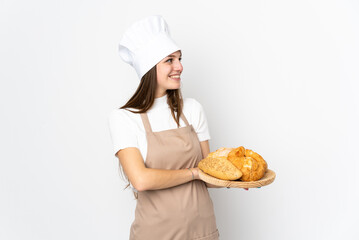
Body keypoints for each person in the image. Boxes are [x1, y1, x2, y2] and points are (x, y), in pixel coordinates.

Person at [108, 15, 220, 240]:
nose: (179, 66)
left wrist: (237, 178)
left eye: (179, 59)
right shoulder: (124, 118)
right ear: (149, 67)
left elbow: (210, 174)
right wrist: (194, 173)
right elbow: (141, 180)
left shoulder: (192, 109)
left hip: (202, 231)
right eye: (169, 60)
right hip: (155, 234)